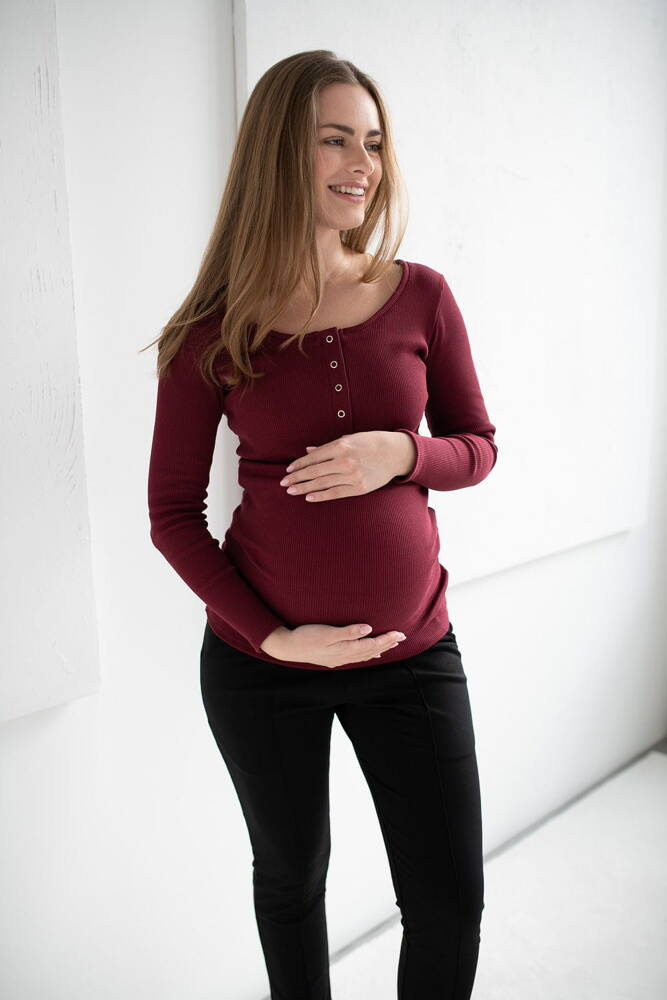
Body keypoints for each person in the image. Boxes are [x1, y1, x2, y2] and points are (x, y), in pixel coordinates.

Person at [145, 49, 498, 1000]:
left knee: (447, 902)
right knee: (291, 880)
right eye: (335, 139)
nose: (362, 164)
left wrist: (401, 453)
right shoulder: (212, 327)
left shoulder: (422, 294)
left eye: (373, 142)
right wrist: (275, 638)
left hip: (412, 653)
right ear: (277, 153)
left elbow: (477, 446)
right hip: (262, 670)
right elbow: (172, 515)